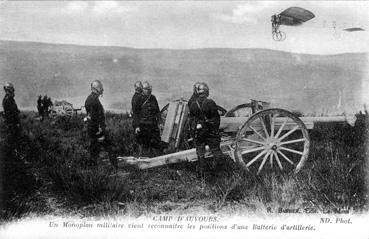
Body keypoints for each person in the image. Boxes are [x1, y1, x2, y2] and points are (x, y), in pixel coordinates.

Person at [188, 82, 225, 176]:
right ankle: (217, 172)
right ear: (207, 92)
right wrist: (215, 130)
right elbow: (216, 119)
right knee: (216, 152)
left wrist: (195, 131)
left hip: (199, 133)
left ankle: (202, 173)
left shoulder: (193, 104)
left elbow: (191, 120)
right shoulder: (210, 103)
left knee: (200, 153)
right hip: (210, 133)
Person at [84, 80, 118, 169]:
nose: (102, 89)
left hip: (94, 130)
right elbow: (94, 118)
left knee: (94, 151)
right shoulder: (94, 101)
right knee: (110, 148)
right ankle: (115, 169)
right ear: (97, 88)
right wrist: (99, 133)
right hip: (97, 131)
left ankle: (92, 171)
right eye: (101, 87)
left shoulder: (91, 99)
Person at [135, 81, 163, 155]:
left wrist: (160, 122)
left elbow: (158, 111)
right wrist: (137, 126)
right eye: (147, 89)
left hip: (153, 125)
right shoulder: (139, 98)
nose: (149, 90)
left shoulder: (153, 98)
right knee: (145, 144)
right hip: (143, 125)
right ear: (143, 90)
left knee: (156, 143)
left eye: (149, 89)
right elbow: (135, 114)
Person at [2, 82, 21, 146]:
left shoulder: (9, 99)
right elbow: (13, 112)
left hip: (12, 122)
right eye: (11, 89)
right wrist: (17, 122)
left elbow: (14, 110)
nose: (13, 91)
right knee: (14, 140)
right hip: (12, 123)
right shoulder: (8, 100)